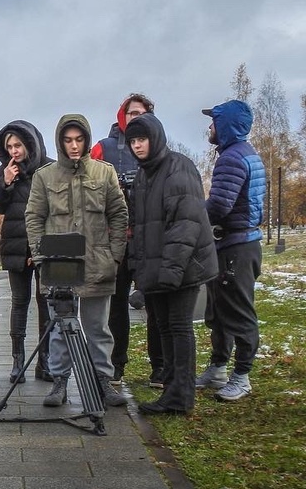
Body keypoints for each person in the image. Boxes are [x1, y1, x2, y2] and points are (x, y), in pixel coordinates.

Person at [25, 115, 129, 409]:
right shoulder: (44, 176)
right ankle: (59, 382)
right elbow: (34, 217)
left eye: (79, 139)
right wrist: (41, 254)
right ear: (60, 141)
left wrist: (115, 254)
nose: (73, 145)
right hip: (59, 264)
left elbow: (119, 214)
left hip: (98, 262)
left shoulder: (104, 173)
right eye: (68, 140)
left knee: (98, 328)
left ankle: (103, 381)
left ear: (86, 140)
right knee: (60, 327)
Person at [124, 113, 218, 415]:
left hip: (184, 268)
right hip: (158, 268)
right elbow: (139, 228)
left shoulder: (179, 168)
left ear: (156, 138)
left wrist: (171, 271)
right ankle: (171, 391)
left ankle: (181, 396)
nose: (138, 146)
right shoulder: (143, 174)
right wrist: (140, 270)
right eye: (133, 141)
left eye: (142, 139)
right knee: (163, 327)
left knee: (178, 327)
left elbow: (186, 225)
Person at [90, 93, 165, 387]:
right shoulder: (103, 147)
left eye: (142, 113)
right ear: (122, 115)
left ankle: (159, 367)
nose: (136, 118)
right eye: (131, 113)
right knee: (116, 303)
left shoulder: (157, 147)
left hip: (149, 239)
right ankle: (116, 364)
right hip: (116, 239)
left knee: (154, 304)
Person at [197, 99, 266, 402]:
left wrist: (192, 211)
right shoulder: (244, 154)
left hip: (237, 246)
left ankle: (241, 375)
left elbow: (221, 205)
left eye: (213, 121)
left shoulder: (232, 158)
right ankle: (218, 367)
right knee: (219, 309)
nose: (209, 127)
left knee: (238, 311)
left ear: (224, 126)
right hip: (234, 243)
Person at [0, 120, 54, 383]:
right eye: (9, 146)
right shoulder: (5, 170)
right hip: (16, 244)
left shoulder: (50, 167)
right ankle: (18, 361)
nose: (14, 150)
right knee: (19, 302)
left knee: (46, 303)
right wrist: (5, 183)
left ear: (30, 144)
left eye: (18, 145)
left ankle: (45, 361)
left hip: (45, 246)